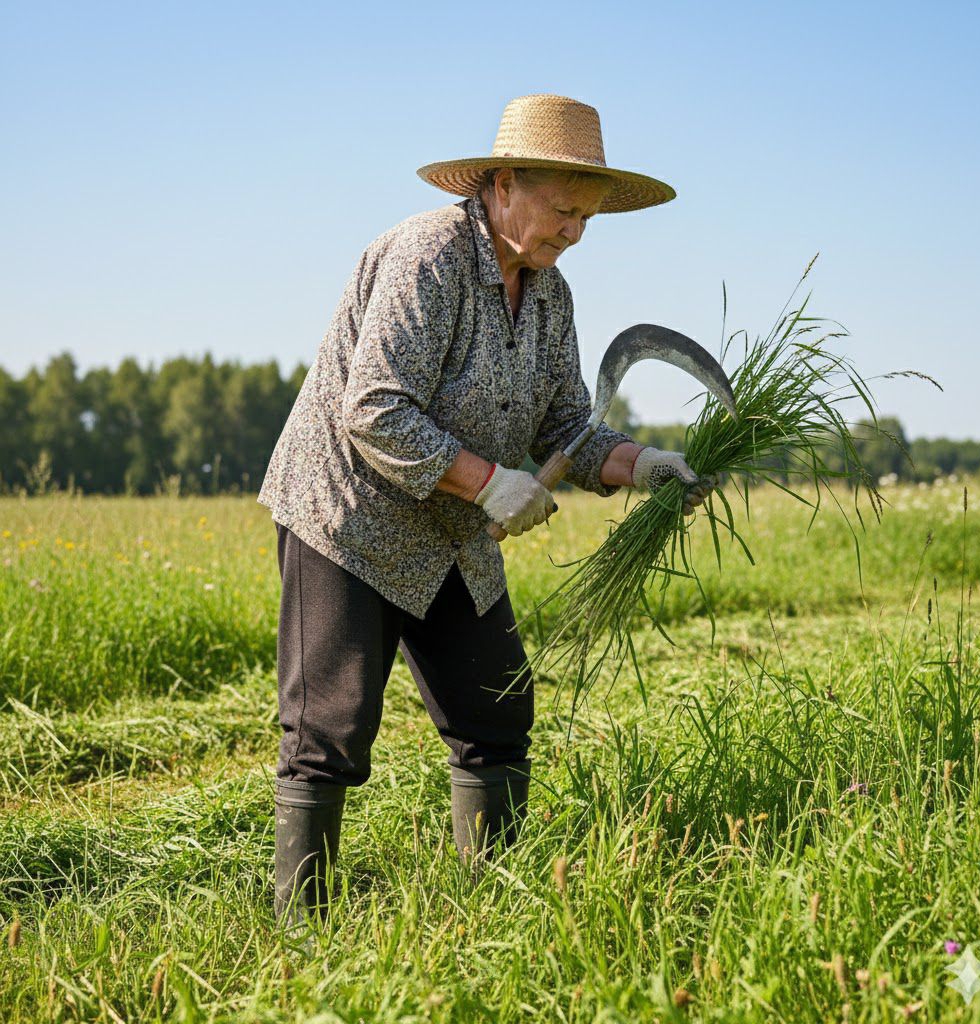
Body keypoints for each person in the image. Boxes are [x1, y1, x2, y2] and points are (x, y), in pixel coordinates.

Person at [257, 94, 715, 927]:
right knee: (330, 729)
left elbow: (567, 427)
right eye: (563, 209)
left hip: (452, 532)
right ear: (503, 185)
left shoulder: (550, 296)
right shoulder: (427, 256)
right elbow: (375, 410)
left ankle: (491, 907)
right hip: (350, 518)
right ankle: (300, 929)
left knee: (496, 710)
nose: (575, 231)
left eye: (587, 217)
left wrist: (642, 465)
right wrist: (492, 485)